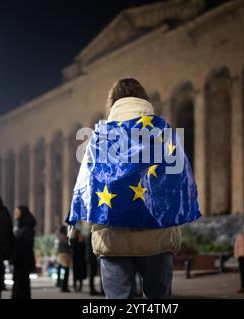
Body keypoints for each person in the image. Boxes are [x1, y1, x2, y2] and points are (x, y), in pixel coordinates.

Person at [90, 79, 182, 299]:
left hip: (112, 237)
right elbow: (176, 185)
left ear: (112, 102)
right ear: (144, 99)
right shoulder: (164, 133)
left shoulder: (99, 137)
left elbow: (89, 190)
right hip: (157, 235)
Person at [11, 206, 36, 299]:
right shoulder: (20, 226)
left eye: (17, 212)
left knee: (21, 284)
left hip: (23, 260)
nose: (15, 214)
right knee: (20, 283)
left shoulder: (27, 227)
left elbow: (26, 243)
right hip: (19, 260)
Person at [56, 226, 71, 293]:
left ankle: (59, 283)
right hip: (65, 255)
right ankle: (64, 287)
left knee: (60, 270)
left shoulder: (58, 236)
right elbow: (69, 246)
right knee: (66, 271)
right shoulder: (65, 237)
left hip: (59, 254)